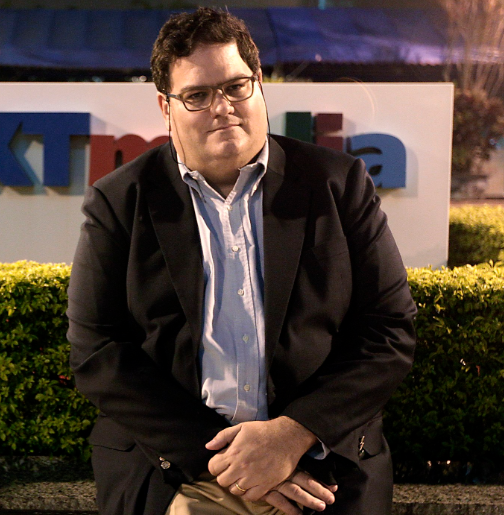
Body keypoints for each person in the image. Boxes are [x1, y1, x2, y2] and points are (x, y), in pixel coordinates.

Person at [67, 7, 416, 515]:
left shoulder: (337, 184)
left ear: (259, 83)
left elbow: (389, 330)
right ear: (166, 107)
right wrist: (228, 461)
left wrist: (293, 435)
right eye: (197, 95)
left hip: (321, 462)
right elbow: (97, 350)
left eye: (236, 86)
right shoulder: (119, 201)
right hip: (183, 466)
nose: (223, 107)